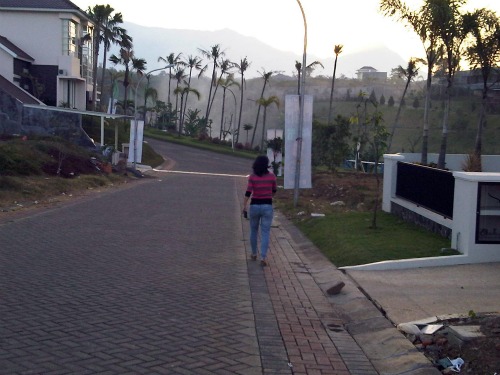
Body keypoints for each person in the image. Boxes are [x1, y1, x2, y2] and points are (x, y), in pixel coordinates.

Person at [243, 155, 277, 267]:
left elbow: (248, 192)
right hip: (267, 206)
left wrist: (244, 206)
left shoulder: (252, 177)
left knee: (253, 230)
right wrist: (268, 195)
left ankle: (253, 253)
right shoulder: (272, 177)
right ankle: (263, 257)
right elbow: (274, 190)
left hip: (255, 206)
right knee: (265, 232)